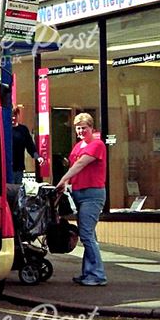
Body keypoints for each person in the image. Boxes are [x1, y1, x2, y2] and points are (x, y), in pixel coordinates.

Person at [56, 112, 107, 287]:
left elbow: (80, 164)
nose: (80, 131)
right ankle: (89, 273)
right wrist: (67, 183)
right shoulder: (78, 146)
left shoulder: (97, 144)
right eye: (78, 128)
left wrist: (63, 180)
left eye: (84, 128)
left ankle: (97, 275)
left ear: (92, 128)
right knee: (89, 234)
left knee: (86, 235)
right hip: (79, 193)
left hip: (92, 194)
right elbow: (73, 165)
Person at [11, 105, 37, 181]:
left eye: (15, 115)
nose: (13, 118)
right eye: (11, 115)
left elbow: (30, 146)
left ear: (18, 115)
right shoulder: (3, 129)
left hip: (19, 167)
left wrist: (37, 157)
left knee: (17, 188)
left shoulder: (23, 129)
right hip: (5, 167)